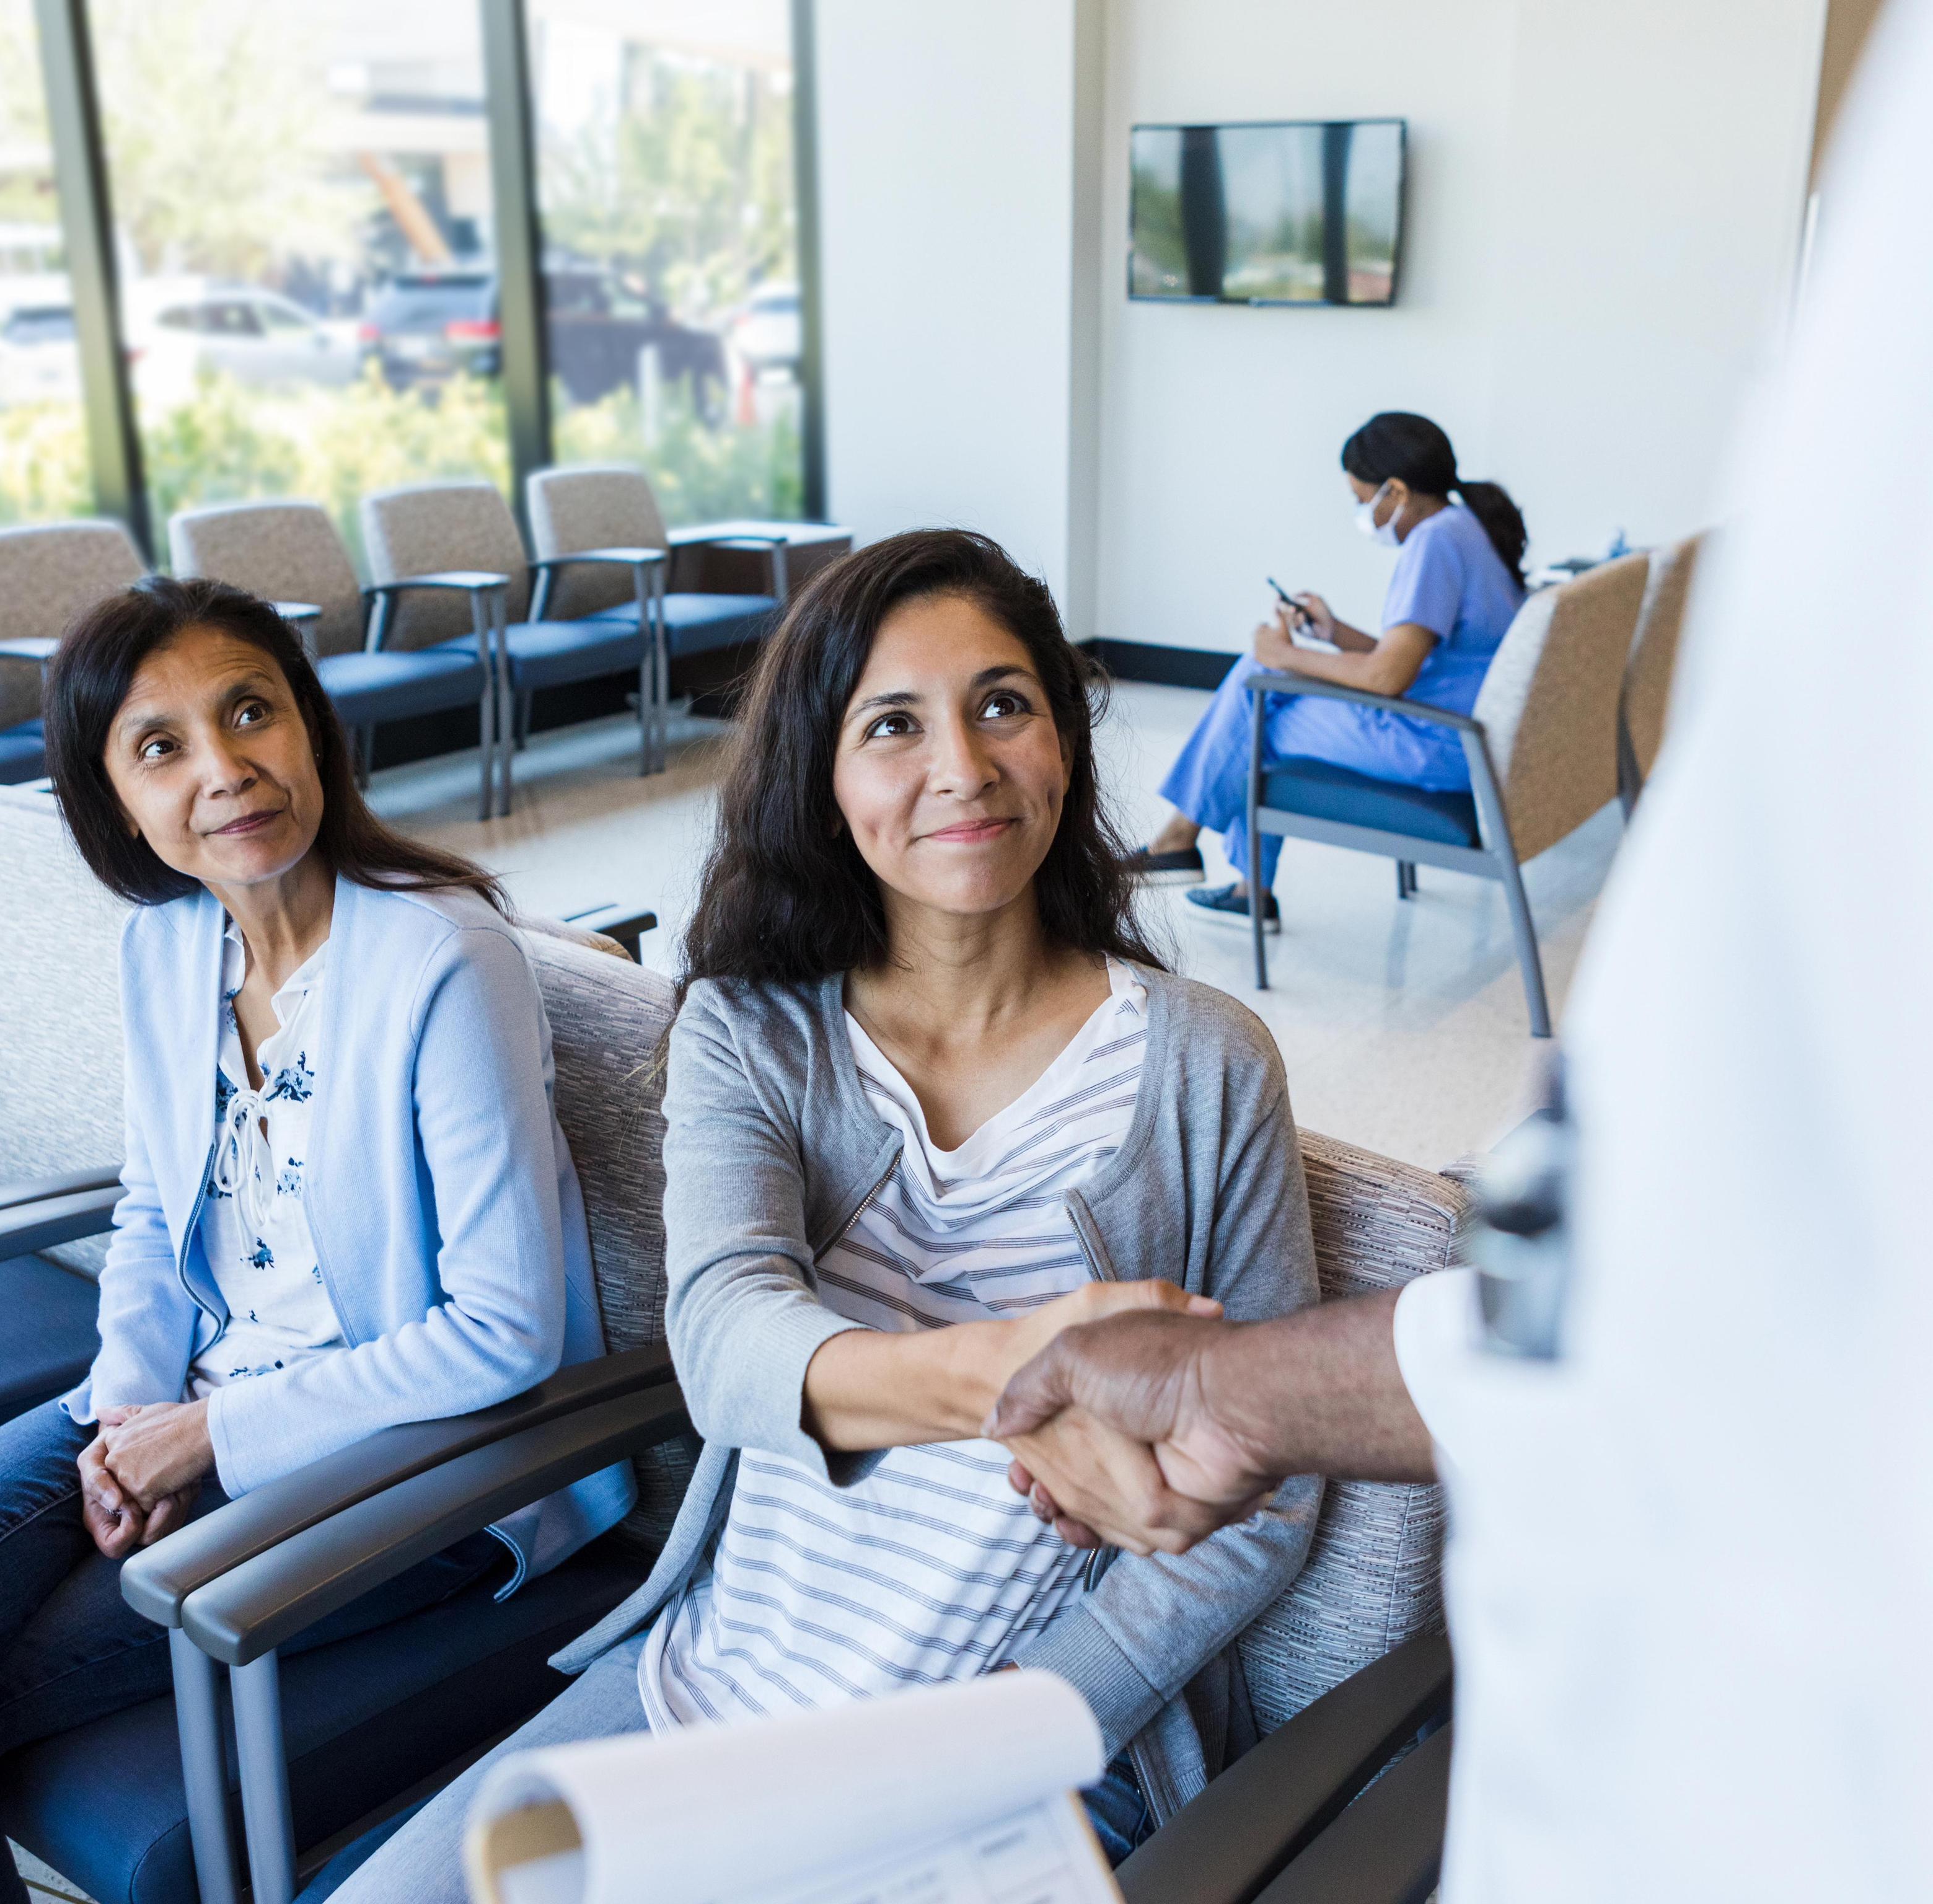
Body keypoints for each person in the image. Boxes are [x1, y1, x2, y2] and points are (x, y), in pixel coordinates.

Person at [986, 1, 1933, 1882]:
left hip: (1438, 773)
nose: (1358, 509)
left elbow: (1739, 1285)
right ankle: (1201, 837)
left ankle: (1181, 841)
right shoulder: (1475, 534)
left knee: (1253, 687)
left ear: (1389, 478)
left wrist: (1300, 643)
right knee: (1271, 678)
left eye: (1359, 490)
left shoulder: (1442, 566)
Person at [330, 528, 1325, 1903]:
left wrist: (1017, 1728)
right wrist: (1027, 1376)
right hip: (709, 1686)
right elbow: (729, 1349)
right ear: (826, 773)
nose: (962, 770)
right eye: (894, 725)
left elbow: (1279, 1497)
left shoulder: (1207, 1064)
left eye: (1002, 705)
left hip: (1009, 1749)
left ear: (1066, 741)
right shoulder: (752, 1027)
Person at [0, 578, 632, 1904]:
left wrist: (210, 1439)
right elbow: (156, 1213)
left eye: (251, 712)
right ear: (116, 797)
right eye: (161, 746)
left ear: (312, 727)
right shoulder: (163, 949)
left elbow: (502, 1332)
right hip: (179, 1400)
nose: (225, 770)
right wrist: (127, 1414)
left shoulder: (441, 962)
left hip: (415, 1456)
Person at [1136, 413, 1528, 931]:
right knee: (1261, 688)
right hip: (1457, 728)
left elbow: (1388, 678)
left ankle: (1202, 859)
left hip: (1439, 741)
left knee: (1257, 712)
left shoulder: (1435, 543)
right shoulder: (1467, 526)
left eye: (1363, 500)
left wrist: (1283, 654)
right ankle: (1198, 856)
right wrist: (1335, 633)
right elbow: (1421, 654)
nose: (1363, 513)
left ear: (1397, 491)